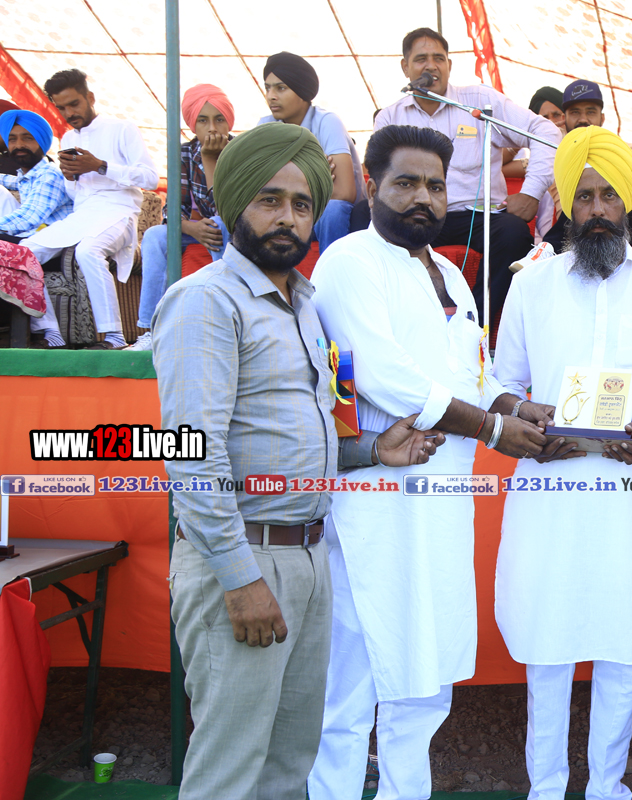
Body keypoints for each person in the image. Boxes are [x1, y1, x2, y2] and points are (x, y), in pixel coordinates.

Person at [153, 122, 444, 800]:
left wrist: (369, 451)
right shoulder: (205, 302)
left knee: (289, 766)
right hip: (244, 560)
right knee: (231, 771)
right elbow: (191, 456)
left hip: (311, 557)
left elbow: (287, 441)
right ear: (235, 205)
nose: (288, 217)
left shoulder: (304, 305)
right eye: (269, 200)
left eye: (302, 203)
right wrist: (239, 580)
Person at [306, 125, 550, 800]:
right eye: (406, 182)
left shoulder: (449, 272)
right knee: (351, 681)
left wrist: (512, 404)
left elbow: (472, 370)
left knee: (425, 675)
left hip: (442, 504)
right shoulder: (349, 262)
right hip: (374, 505)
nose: (423, 198)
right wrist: (493, 427)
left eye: (435, 186)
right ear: (372, 184)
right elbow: (386, 378)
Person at [492, 125, 632, 800]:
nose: (596, 209)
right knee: (547, 643)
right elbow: (500, 381)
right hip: (551, 483)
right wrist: (526, 415)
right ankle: (546, 788)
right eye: (584, 196)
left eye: (608, 196)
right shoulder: (531, 285)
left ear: (628, 201)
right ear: (566, 204)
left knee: (625, 641)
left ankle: (607, 787)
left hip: (631, 485)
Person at [375, 28, 561, 326]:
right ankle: (403, 320)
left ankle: (472, 322)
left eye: (439, 58)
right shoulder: (391, 117)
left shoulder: (479, 102)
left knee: (514, 234)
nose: (431, 66)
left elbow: (545, 132)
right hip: (418, 213)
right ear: (405, 67)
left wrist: (531, 192)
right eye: (421, 59)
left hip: (477, 215)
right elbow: (381, 175)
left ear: (449, 65)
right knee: (366, 216)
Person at [24, 69, 158, 349]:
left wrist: (100, 166)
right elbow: (76, 194)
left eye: (74, 104)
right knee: (24, 252)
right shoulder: (67, 139)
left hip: (119, 211)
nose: (69, 113)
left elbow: (150, 178)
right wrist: (71, 177)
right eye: (62, 108)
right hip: (83, 215)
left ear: (90, 98)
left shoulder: (122, 128)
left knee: (87, 251)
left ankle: (114, 337)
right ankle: (51, 333)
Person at [128, 84, 234, 351]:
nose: (212, 128)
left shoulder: (242, 151)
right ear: (193, 125)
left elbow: (228, 209)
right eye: (203, 120)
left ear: (229, 122)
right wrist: (192, 228)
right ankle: (152, 328)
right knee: (154, 235)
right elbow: (173, 209)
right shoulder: (184, 154)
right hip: (201, 229)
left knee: (219, 224)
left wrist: (211, 160)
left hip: (236, 228)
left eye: (219, 119)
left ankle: (226, 318)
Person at [258, 52, 363, 250]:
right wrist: (310, 180)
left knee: (332, 209)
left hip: (331, 218)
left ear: (302, 91)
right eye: (268, 87)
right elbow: (255, 187)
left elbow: (344, 192)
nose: (271, 96)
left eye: (281, 88)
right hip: (288, 214)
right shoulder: (265, 126)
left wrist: (284, 181)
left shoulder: (327, 122)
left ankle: (332, 267)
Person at [541, 79, 632, 253]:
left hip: (618, 225)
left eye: (591, 112)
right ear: (564, 119)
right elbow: (517, 163)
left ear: (602, 117)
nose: (583, 119)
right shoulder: (553, 151)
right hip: (571, 229)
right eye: (575, 112)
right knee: (579, 200)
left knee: (625, 196)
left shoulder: (624, 149)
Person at [0, 110, 72, 240]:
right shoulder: (30, 176)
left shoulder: (49, 174)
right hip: (26, 236)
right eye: (12, 139)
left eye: (27, 138)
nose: (19, 145)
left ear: (42, 141)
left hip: (45, 242)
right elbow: (10, 180)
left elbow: (29, 217)